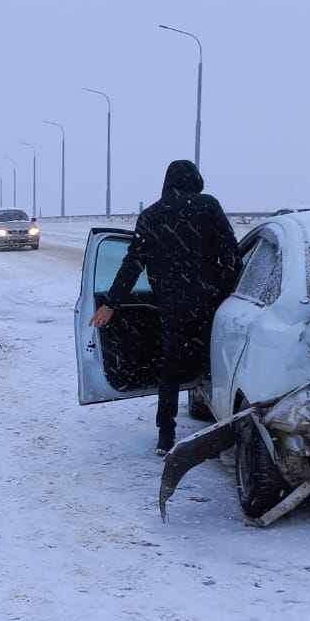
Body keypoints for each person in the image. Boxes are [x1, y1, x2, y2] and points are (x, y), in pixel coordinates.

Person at [88, 159, 239, 456]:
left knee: (169, 368)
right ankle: (227, 426)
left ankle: (165, 435)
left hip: (171, 305)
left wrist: (111, 304)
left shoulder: (151, 215)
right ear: (196, 179)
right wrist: (225, 289)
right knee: (218, 361)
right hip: (210, 302)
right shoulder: (209, 206)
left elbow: (132, 264)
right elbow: (232, 254)